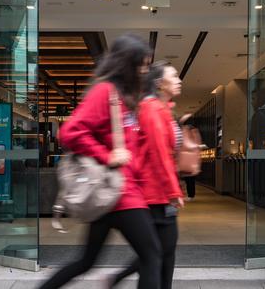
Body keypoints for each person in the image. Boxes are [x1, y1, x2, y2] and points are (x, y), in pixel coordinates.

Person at [39, 34, 162, 289]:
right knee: (152, 255)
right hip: (118, 193)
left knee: (86, 261)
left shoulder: (124, 99)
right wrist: (108, 156)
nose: (144, 70)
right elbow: (70, 131)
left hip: (114, 192)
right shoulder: (105, 91)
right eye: (141, 64)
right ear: (127, 64)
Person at [108, 61, 186, 289]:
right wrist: (173, 190)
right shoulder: (152, 109)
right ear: (160, 84)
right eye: (174, 76)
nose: (179, 80)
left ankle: (117, 278)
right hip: (154, 194)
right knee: (159, 253)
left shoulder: (163, 109)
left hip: (160, 192)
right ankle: (117, 278)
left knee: (159, 253)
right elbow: (160, 152)